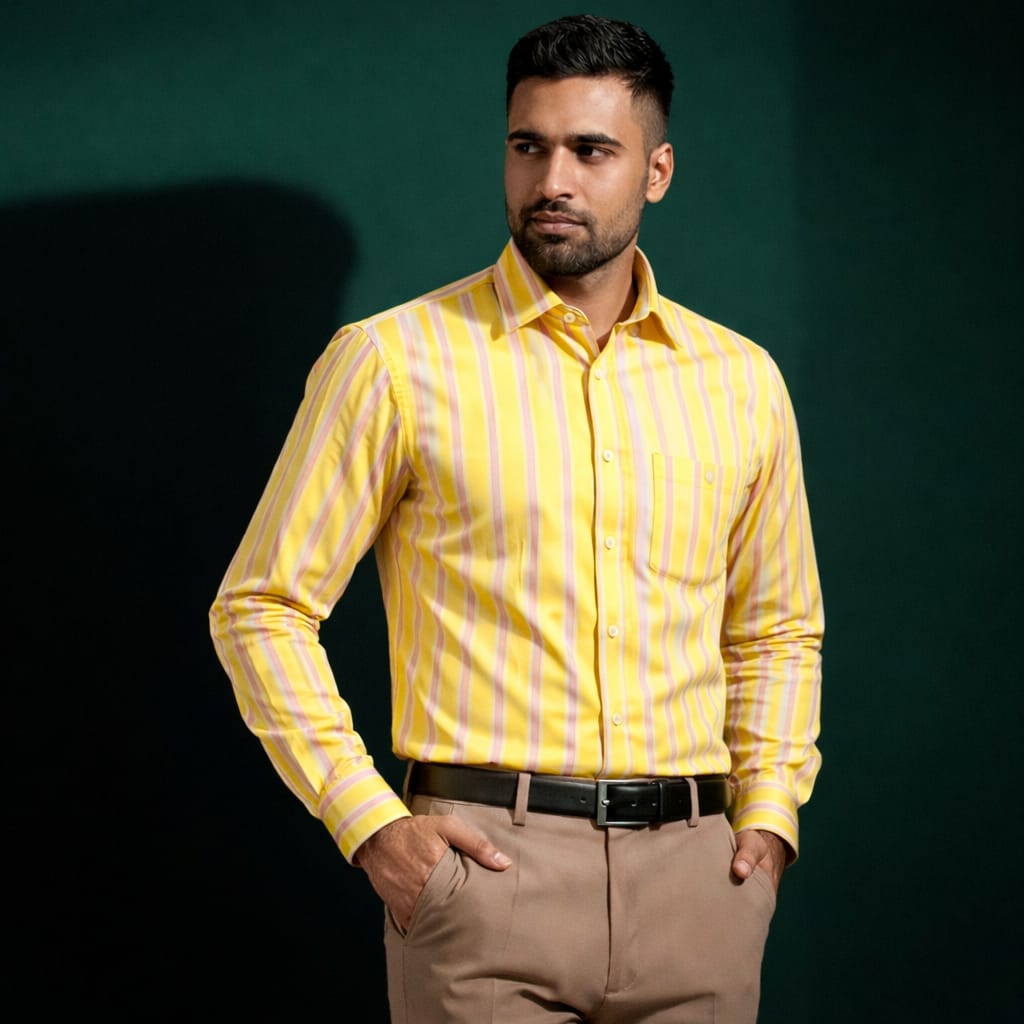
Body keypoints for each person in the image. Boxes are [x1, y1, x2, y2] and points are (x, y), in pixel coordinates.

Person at [210, 13, 823, 1023]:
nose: (553, 180)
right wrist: (370, 823)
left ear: (657, 171)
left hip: (699, 888)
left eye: (591, 150)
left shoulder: (741, 381)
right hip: (482, 877)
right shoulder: (390, 361)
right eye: (528, 146)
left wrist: (768, 815)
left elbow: (775, 628)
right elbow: (261, 607)